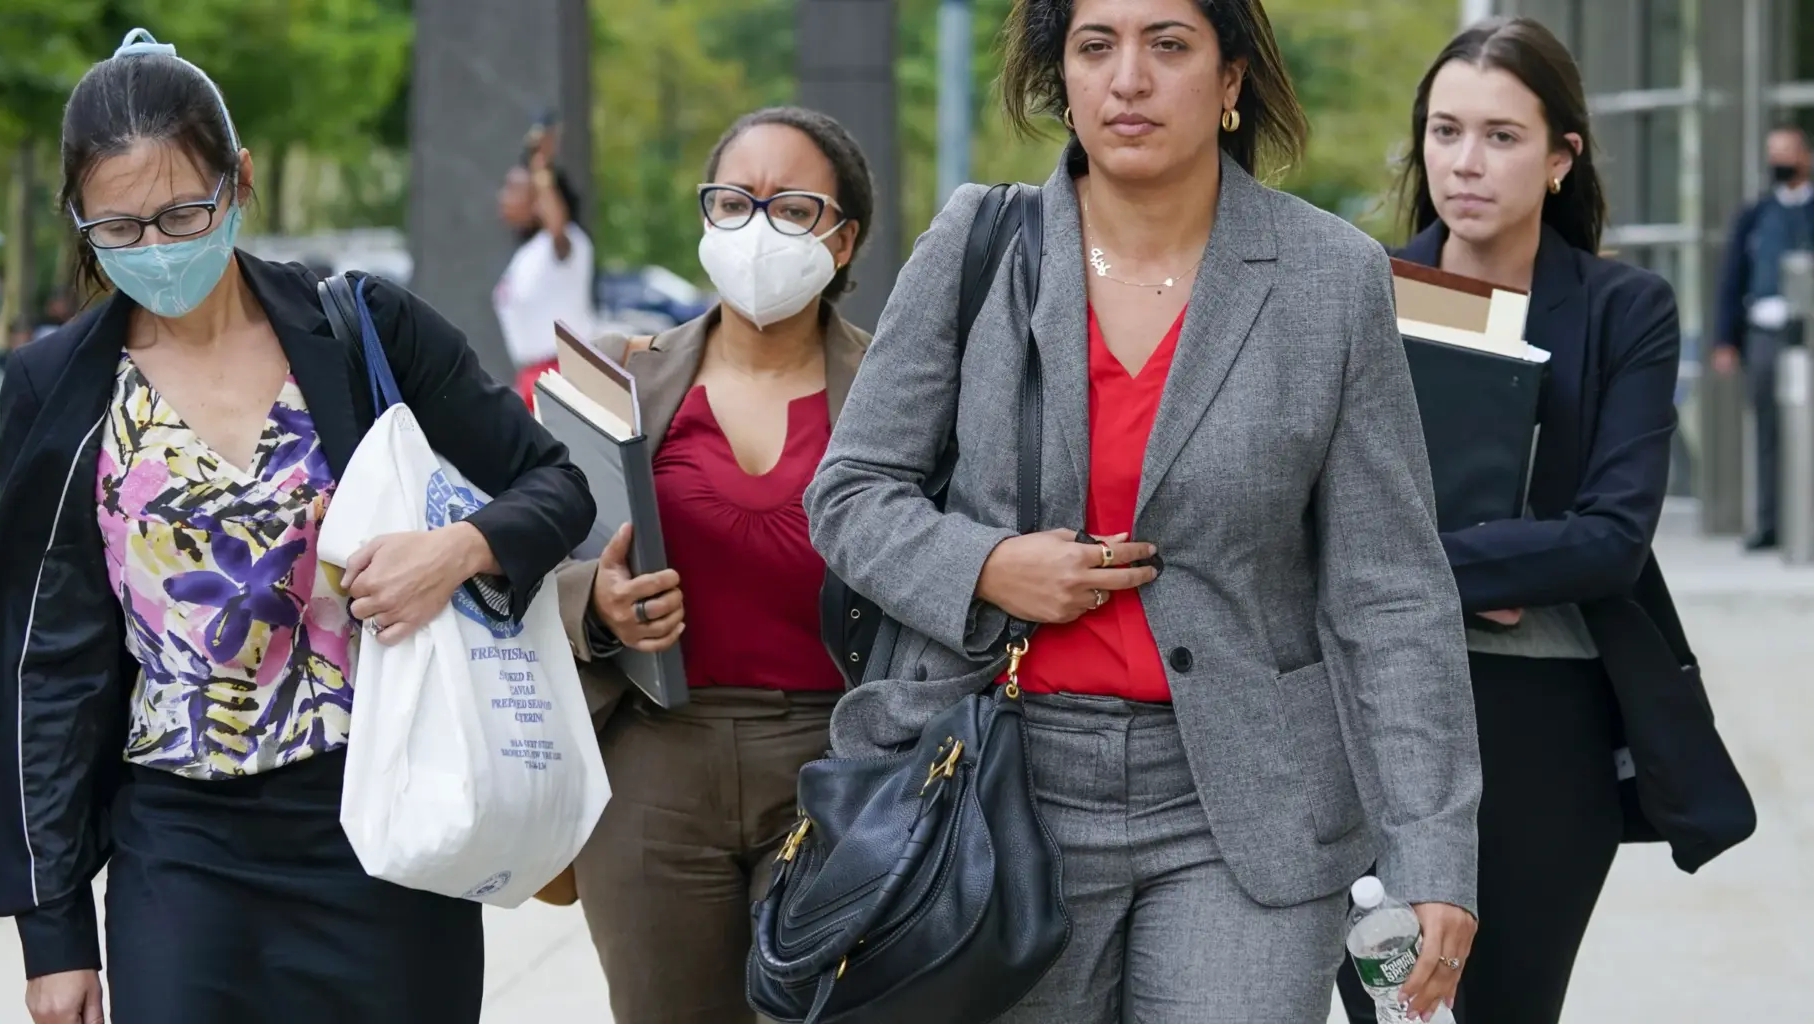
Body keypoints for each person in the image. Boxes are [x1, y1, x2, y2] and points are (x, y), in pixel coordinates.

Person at [804, 1, 1480, 1021]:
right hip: (996, 784)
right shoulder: (979, 247)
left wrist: (1433, 848)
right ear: (1060, 78)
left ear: (1232, 80)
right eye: (1094, 46)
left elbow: (1389, 591)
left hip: (1245, 803)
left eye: (1168, 45)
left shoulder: (1330, 278)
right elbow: (851, 496)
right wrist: (987, 566)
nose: (1129, 78)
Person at [0, 29, 595, 1024]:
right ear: (78, 223)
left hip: (384, 825)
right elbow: (50, 664)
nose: (156, 250)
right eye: (119, 229)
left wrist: (458, 552)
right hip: (179, 844)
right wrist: (54, 933)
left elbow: (555, 485)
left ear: (240, 181)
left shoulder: (360, 328)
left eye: (181, 213)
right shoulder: (55, 388)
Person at [1336, 17, 1701, 1023]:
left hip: (1546, 718)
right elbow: (1316, 524)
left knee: (1507, 1007)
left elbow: (1613, 537)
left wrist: (1424, 566)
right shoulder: (1363, 292)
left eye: (1501, 136)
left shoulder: (1624, 309)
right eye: (1446, 131)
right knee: (1391, 1012)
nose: (1466, 162)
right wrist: (1493, 566)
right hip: (1377, 712)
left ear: (1559, 157)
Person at [552, 105, 873, 1024]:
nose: (758, 228)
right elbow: (540, 551)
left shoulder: (897, 391)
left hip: (835, 764)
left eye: (793, 207)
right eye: (734, 202)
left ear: (843, 241)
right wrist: (597, 603)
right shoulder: (616, 376)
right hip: (653, 762)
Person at [1712, 125, 1813, 552]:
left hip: (1808, 333)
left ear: (1805, 156)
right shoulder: (1755, 214)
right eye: (1773, 152)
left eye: (1787, 152)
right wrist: (1725, 340)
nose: (1779, 160)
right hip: (1766, 335)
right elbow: (1732, 279)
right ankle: (1772, 523)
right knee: (1768, 431)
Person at [495, 117, 596, 407]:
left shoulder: (566, 245)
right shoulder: (529, 255)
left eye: (513, 189)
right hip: (534, 378)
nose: (503, 197)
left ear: (540, 200)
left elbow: (557, 228)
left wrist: (540, 167)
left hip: (566, 377)